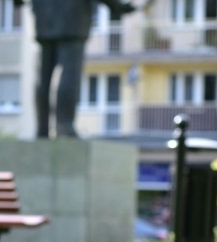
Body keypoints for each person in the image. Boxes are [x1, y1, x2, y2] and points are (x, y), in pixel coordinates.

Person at [16, 0, 135, 138]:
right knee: (70, 74)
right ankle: (64, 125)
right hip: (73, 17)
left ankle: (42, 129)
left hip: (44, 15)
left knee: (43, 78)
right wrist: (118, 6)